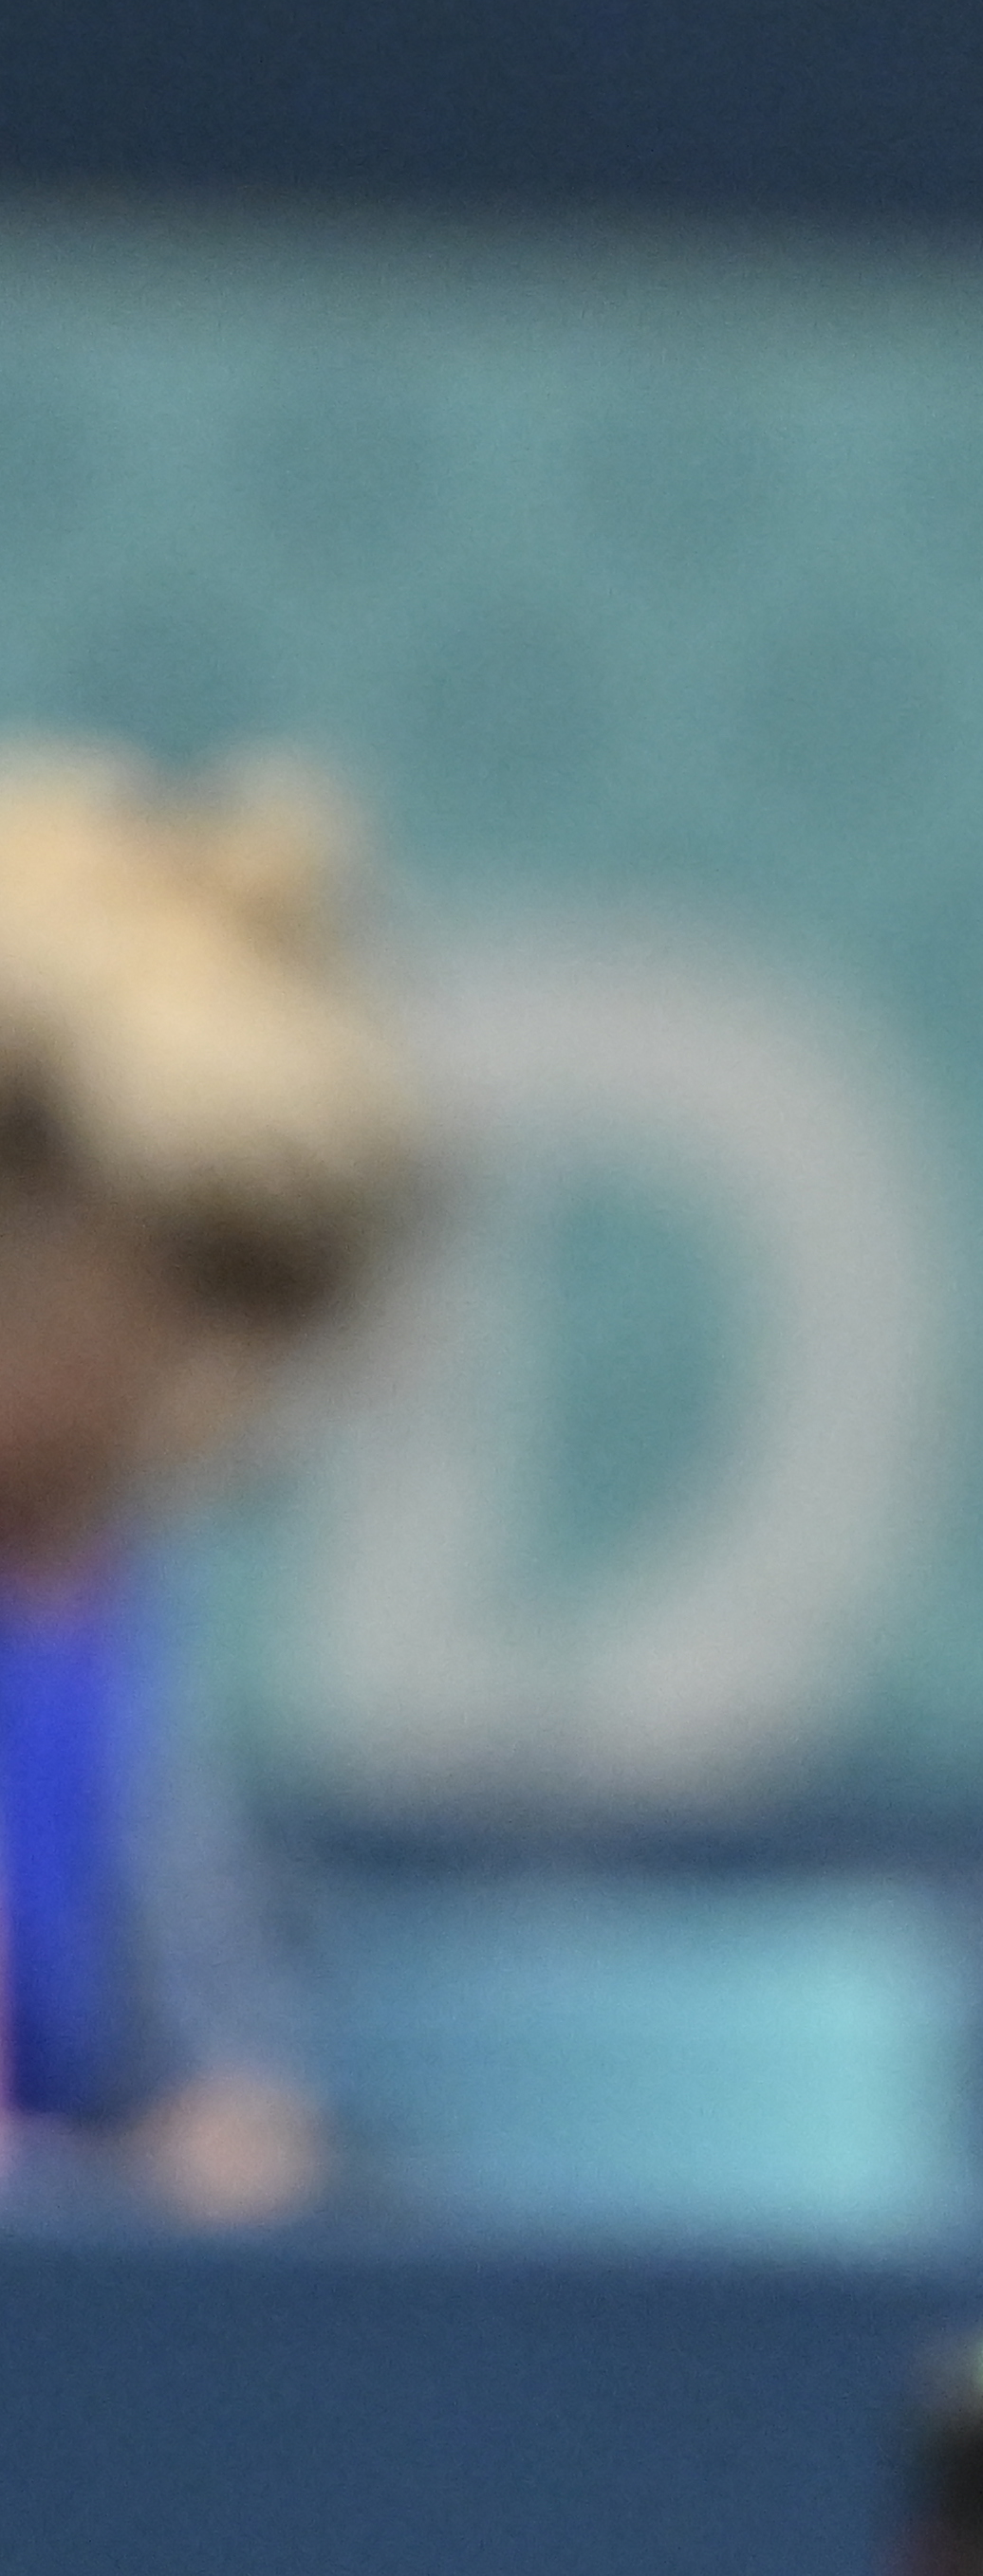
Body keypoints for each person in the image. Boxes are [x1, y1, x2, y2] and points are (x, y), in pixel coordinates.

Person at [0, 745, 425, 2222]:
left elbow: (198, 2012)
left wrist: (231, 2117)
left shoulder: (102, 1600)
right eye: (185, 1280)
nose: (210, 1374)